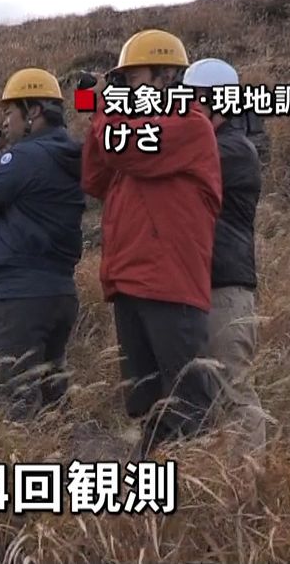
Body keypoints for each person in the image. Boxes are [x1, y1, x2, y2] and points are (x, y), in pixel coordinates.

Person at [81, 29, 223, 459]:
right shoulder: (135, 132)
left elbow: (121, 149)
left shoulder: (190, 124)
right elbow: (94, 177)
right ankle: (154, 488)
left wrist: (106, 109)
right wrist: (96, 111)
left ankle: (199, 496)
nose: (124, 87)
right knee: (147, 402)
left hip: (168, 282)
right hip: (130, 280)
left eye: (132, 76)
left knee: (186, 403)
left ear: (165, 76)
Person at [0, 67, 86, 422]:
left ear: (34, 111)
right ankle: (60, 469)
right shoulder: (65, 153)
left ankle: (19, 474)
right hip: (58, 290)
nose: (4, 123)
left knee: (14, 400)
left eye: (10, 112)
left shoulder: (24, 158)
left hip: (19, 294)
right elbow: (24, 191)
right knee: (53, 402)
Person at [184, 57, 269, 452]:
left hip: (226, 288)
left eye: (195, 100)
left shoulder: (232, 150)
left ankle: (248, 496)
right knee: (211, 395)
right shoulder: (219, 145)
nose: (187, 108)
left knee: (233, 393)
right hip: (207, 285)